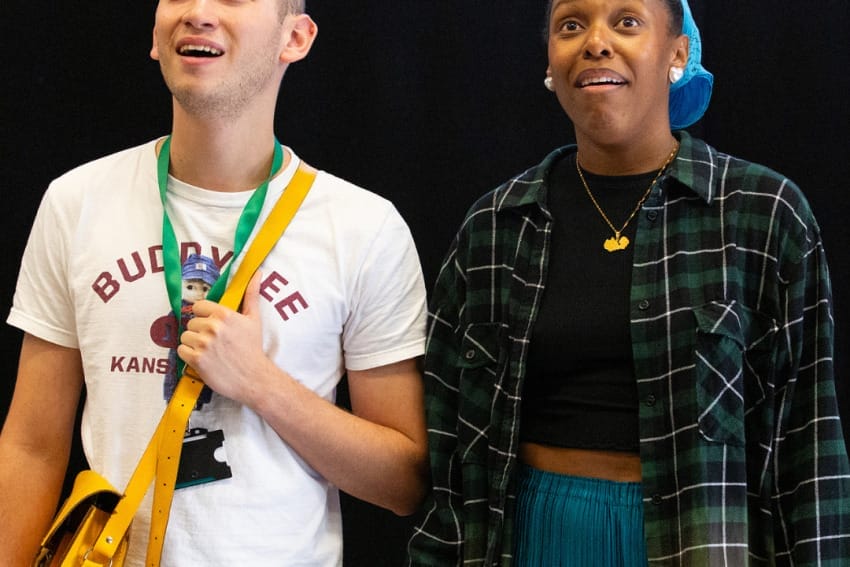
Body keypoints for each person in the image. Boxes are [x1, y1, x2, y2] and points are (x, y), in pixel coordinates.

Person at [408, 0, 850, 565]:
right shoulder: (494, 226)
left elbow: (808, 449)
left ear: (678, 52)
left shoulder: (762, 215)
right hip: (531, 536)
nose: (595, 42)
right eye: (572, 25)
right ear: (550, 60)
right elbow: (448, 444)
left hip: (701, 539)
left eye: (627, 22)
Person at [0, 1, 428, 565]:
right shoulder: (75, 202)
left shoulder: (364, 227)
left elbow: (403, 483)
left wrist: (260, 384)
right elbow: (32, 445)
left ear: (295, 38)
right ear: (155, 35)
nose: (197, 12)